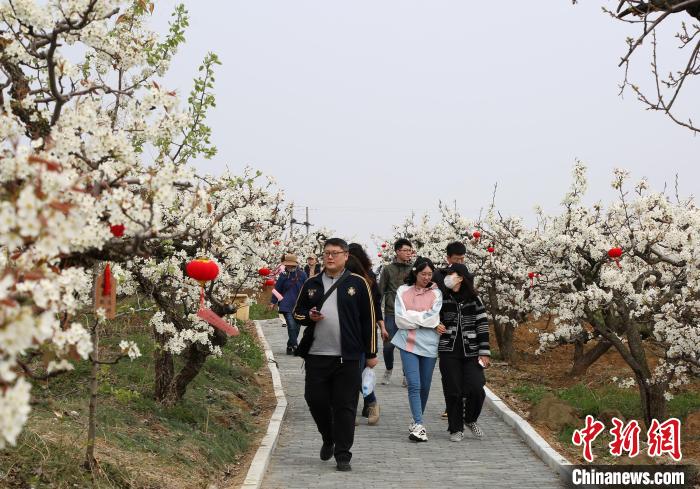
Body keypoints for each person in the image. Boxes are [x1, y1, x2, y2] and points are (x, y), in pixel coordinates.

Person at [293, 238, 378, 472]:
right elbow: (296, 313)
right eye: (327, 253)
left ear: (346, 256)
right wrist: (308, 316)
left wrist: (371, 353)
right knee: (315, 399)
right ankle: (328, 437)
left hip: (348, 357)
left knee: (346, 406)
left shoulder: (358, 284)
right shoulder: (311, 283)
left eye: (335, 253)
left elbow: (368, 321)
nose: (330, 257)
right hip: (317, 355)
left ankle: (343, 454)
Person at [437, 263, 491, 442]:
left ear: (460, 277)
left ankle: (470, 419)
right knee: (453, 390)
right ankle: (455, 428)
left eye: (451, 274)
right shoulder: (442, 297)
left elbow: (482, 326)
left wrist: (484, 352)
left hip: (472, 351)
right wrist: (436, 324)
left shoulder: (474, 299)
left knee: (476, 387)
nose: (448, 277)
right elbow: (432, 317)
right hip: (448, 350)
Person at [391, 257, 443, 442]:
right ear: (415, 272)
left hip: (430, 345)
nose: (427, 277)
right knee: (414, 384)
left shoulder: (437, 294)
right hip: (408, 343)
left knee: (425, 386)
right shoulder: (403, 291)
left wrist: (414, 317)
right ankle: (420, 425)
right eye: (423, 274)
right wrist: (426, 320)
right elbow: (400, 320)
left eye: (430, 274)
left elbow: (433, 318)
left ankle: (415, 419)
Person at [348, 243, 385, 426]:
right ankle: (362, 407)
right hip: (351, 336)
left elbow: (374, 308)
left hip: (362, 335)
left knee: (358, 374)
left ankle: (369, 404)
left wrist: (372, 352)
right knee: (355, 374)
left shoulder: (367, 280)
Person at [432, 241, 469, 418]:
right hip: (443, 327)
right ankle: (450, 405)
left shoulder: (467, 274)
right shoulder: (438, 275)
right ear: (448, 258)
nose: (460, 263)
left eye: (462, 259)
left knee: (462, 370)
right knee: (448, 371)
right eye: (456, 259)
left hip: (463, 328)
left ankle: (461, 402)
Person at [378, 238, 414, 386]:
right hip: (391, 312)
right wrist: (377, 315)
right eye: (405, 250)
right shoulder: (387, 269)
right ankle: (389, 369)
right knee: (388, 346)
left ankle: (406, 375)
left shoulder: (413, 269)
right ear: (397, 251)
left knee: (408, 346)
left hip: (409, 314)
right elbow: (380, 291)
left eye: (410, 251)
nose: (408, 253)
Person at [269, 254, 308, 354]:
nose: (288, 267)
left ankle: (289, 345)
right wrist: (273, 302)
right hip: (286, 304)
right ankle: (295, 345)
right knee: (291, 325)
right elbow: (277, 289)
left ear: (295, 265)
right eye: (287, 265)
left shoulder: (302, 275)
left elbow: (307, 289)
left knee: (297, 326)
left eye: (290, 265)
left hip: (299, 305)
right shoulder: (283, 275)